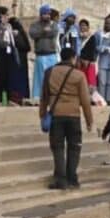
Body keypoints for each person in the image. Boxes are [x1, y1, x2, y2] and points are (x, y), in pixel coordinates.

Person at [40, 48, 93, 190]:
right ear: (73, 58)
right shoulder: (79, 75)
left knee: (57, 148)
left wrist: (42, 114)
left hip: (56, 114)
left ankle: (61, 180)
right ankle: (72, 178)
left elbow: (44, 96)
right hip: (74, 115)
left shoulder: (49, 72)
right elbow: (85, 100)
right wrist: (89, 121)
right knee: (74, 148)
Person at [29, 4, 59, 99]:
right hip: (40, 55)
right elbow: (33, 34)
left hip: (51, 54)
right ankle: (38, 97)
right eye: (45, 14)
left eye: (48, 14)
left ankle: (51, 96)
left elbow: (53, 32)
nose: (47, 16)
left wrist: (42, 33)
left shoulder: (53, 24)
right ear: (41, 14)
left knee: (52, 77)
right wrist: (43, 31)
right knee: (39, 77)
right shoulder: (34, 25)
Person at [7, 16, 30, 104]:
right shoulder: (16, 32)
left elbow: (26, 46)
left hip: (19, 59)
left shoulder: (18, 33)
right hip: (17, 60)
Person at [95, 15, 110, 103]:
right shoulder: (99, 33)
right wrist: (104, 48)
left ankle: (109, 99)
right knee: (102, 82)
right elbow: (96, 46)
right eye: (107, 23)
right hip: (102, 61)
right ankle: (101, 99)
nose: (109, 25)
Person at [77, 19, 97, 94]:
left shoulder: (92, 37)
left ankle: (91, 97)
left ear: (88, 27)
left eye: (84, 25)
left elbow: (92, 50)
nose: (83, 27)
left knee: (90, 81)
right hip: (79, 62)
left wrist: (86, 60)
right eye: (81, 25)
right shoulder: (77, 37)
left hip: (89, 62)